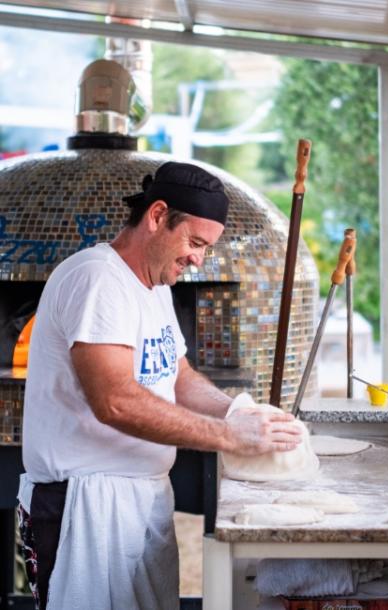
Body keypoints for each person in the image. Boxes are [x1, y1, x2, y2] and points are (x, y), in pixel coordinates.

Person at [17, 161, 302, 610]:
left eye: (207, 248)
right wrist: (229, 437)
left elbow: (178, 375)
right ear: (156, 216)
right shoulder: (97, 280)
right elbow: (115, 401)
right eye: (194, 242)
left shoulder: (155, 286)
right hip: (86, 507)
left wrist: (235, 411)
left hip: (139, 499)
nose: (198, 260)